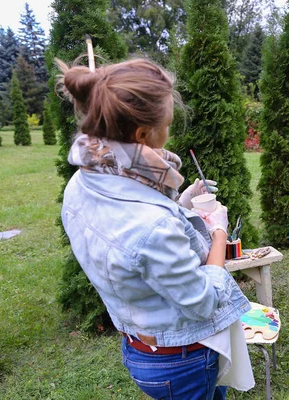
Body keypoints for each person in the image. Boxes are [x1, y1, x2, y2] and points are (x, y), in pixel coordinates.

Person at [57, 57, 254, 400]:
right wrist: (219, 231)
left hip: (144, 345)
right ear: (142, 135)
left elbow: (132, 245)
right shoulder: (152, 227)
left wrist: (181, 205)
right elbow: (204, 302)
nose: (170, 132)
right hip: (182, 361)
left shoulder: (81, 184)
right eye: (167, 124)